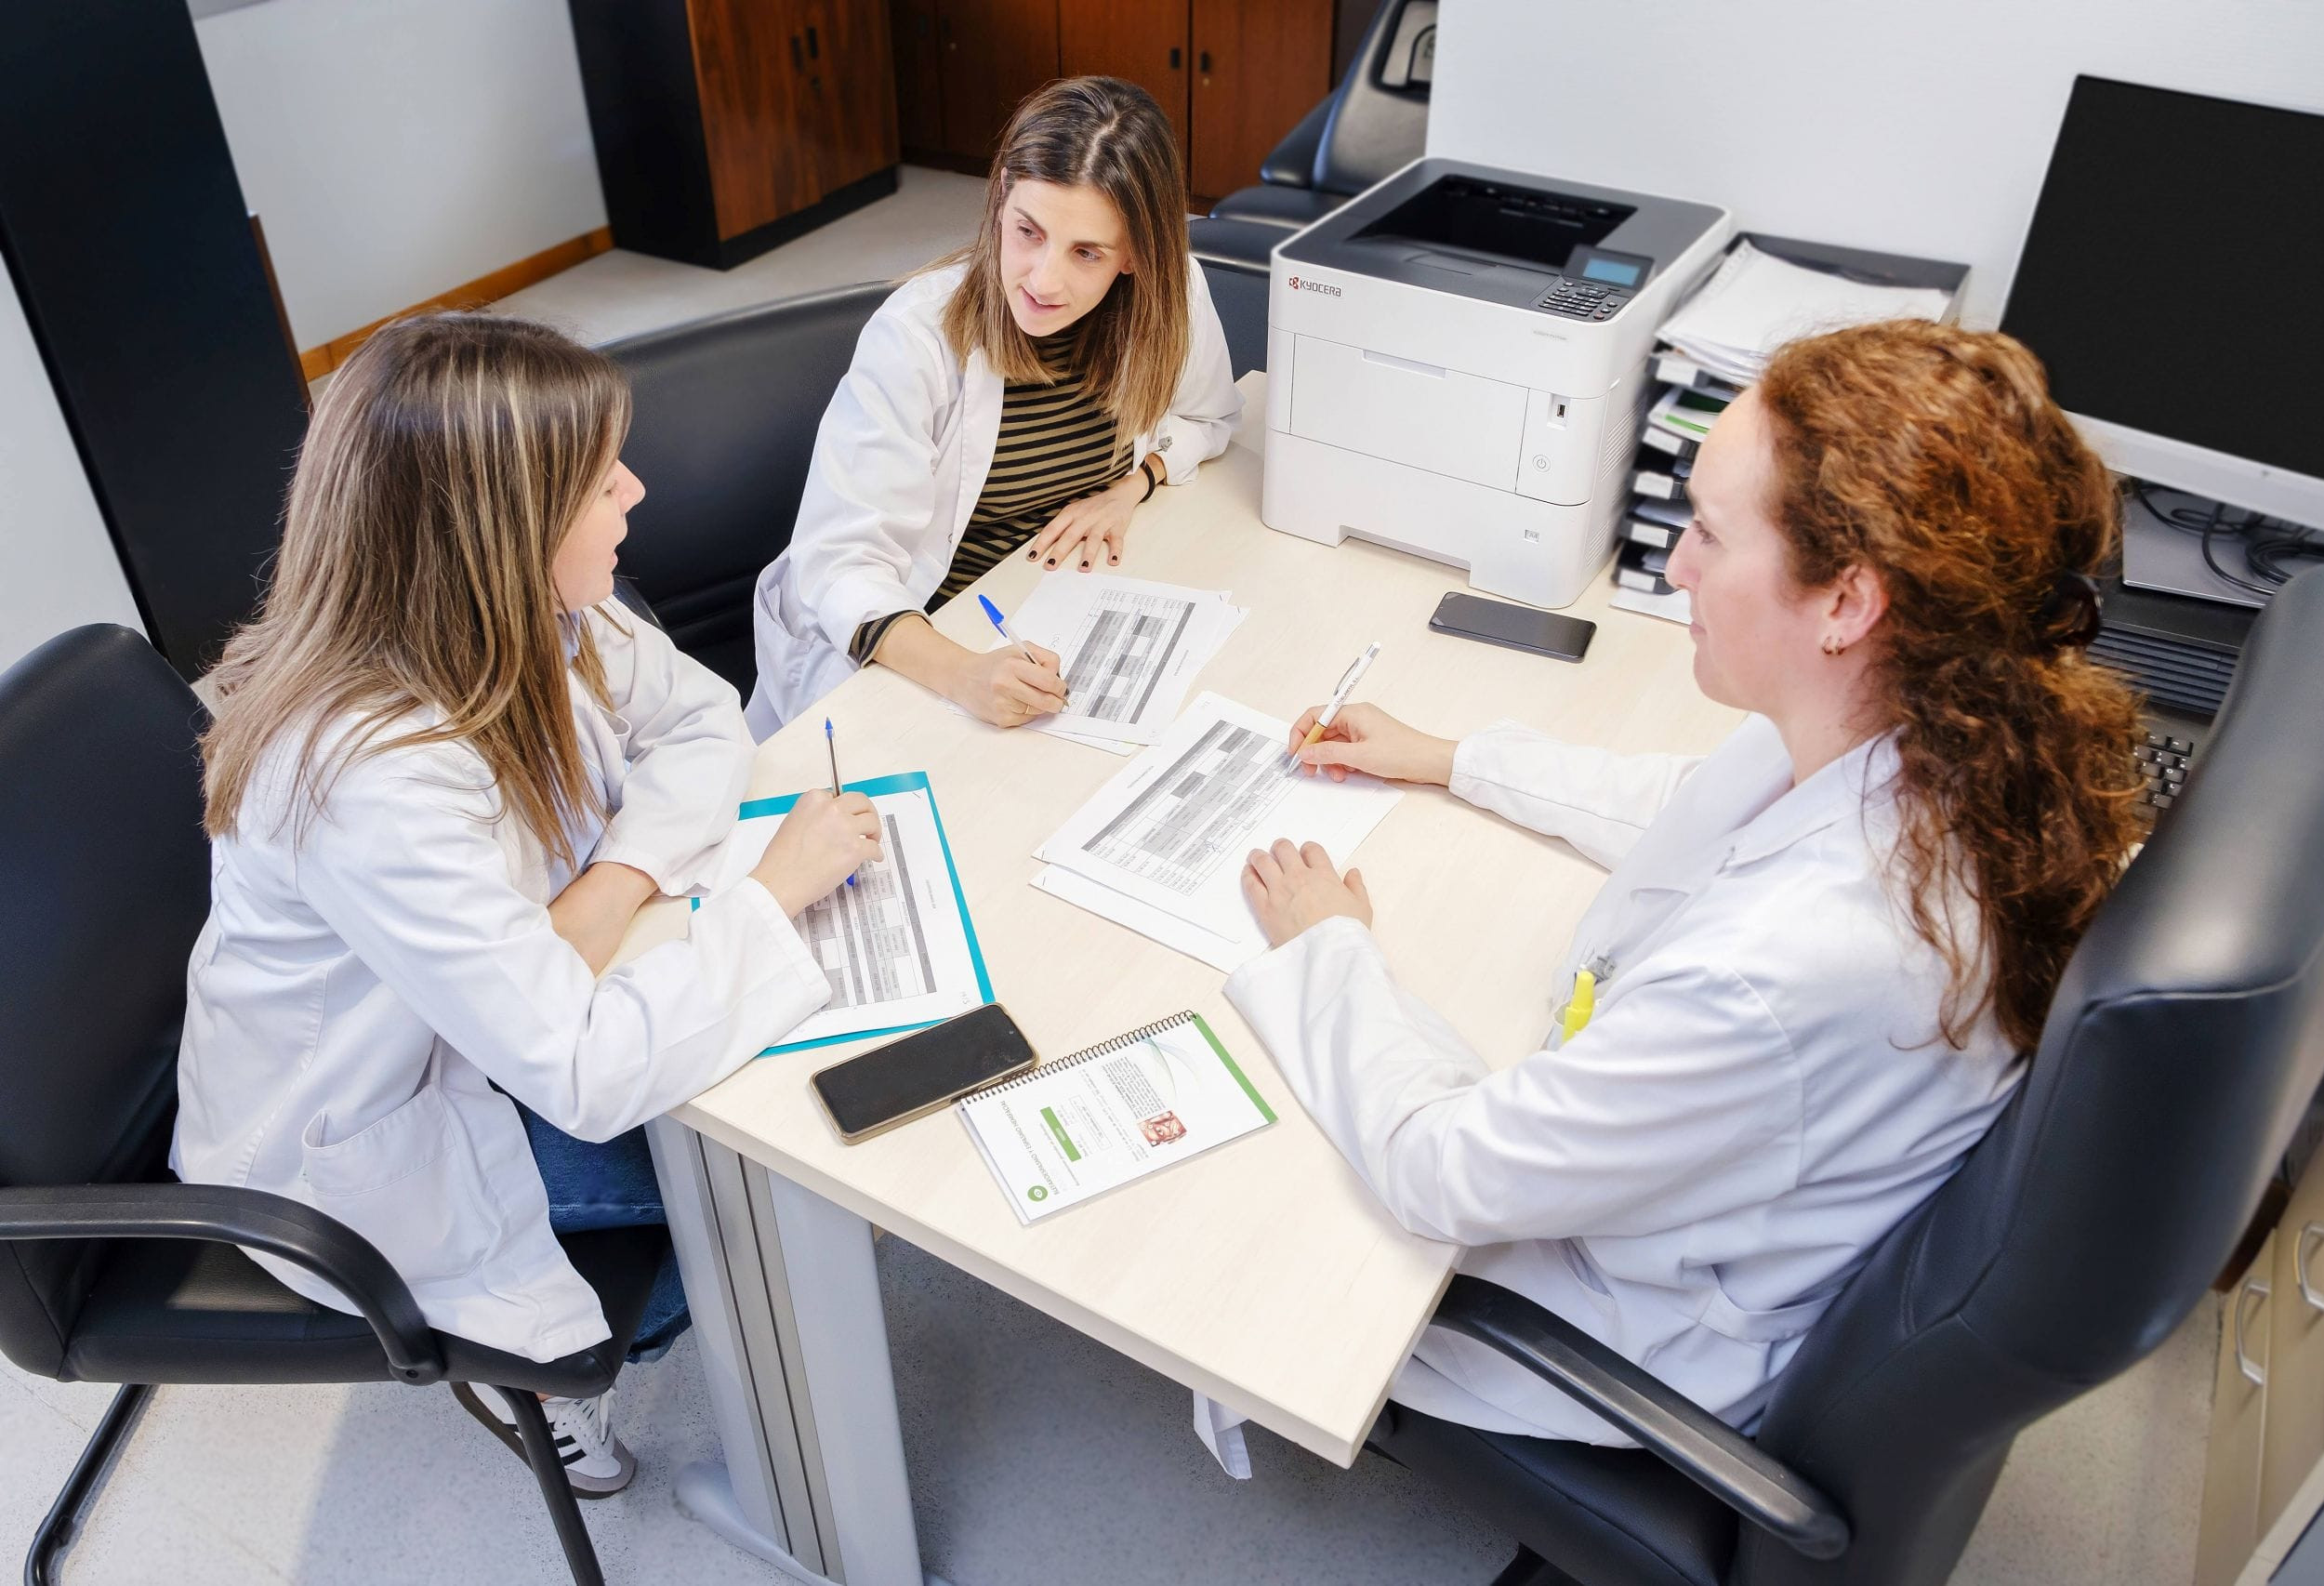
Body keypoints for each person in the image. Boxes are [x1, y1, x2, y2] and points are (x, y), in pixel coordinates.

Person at [1227, 320, 2142, 1445]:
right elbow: (1689, 805)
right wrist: (1453, 757)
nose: (1674, 564)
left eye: (1708, 531)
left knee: (1254, 1183)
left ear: (1846, 602)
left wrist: (1331, 950)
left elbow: (1445, 1171)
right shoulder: (1927, 725)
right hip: (1702, 1183)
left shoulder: (1794, 964)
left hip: (1624, 1328)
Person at [172, 313, 881, 1495]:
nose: (636, 492)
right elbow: (584, 1067)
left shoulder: (523, 605)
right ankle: (563, 1386)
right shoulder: (363, 771)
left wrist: (613, 884)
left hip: (494, 1008)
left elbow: (705, 715)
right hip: (359, 1130)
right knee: (752, 1179)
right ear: (500, 527)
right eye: (604, 481)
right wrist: (767, 894)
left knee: (766, 1103)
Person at [748, 75, 1242, 738]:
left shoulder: (1170, 298)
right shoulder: (918, 337)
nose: (1042, 279)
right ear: (1002, 197)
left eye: (1086, 253)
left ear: (1133, 257)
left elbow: (1210, 419)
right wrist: (964, 674)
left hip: (1059, 605)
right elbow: (839, 568)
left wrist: (1130, 486)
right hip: (933, 643)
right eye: (1028, 231)